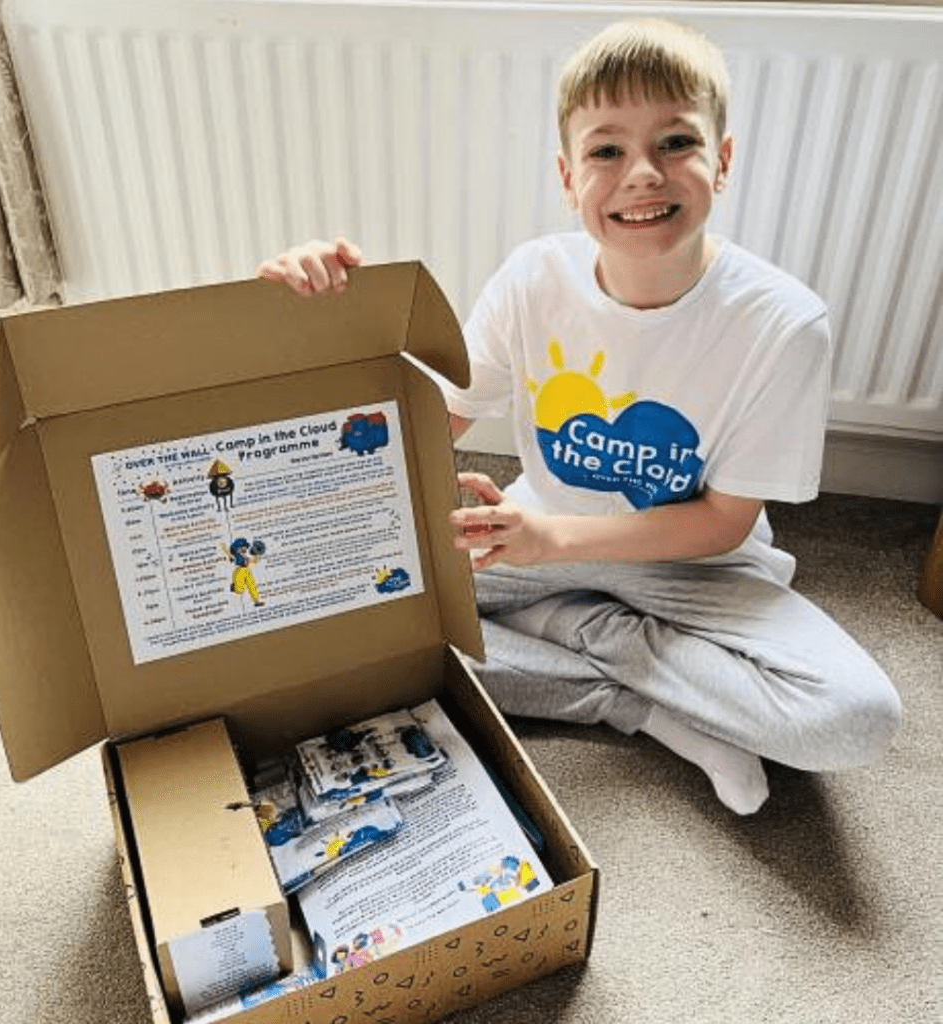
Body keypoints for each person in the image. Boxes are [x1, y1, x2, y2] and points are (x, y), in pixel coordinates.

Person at [256, 18, 902, 815]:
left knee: (854, 720)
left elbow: (724, 521)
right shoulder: (535, 277)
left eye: (675, 143)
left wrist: (547, 543)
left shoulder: (784, 322)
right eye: (606, 151)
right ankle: (640, 702)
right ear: (568, 177)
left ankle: (590, 634)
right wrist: (319, 322)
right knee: (329, 625)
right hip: (538, 542)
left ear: (722, 162)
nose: (642, 174)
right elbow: (421, 430)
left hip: (691, 563)